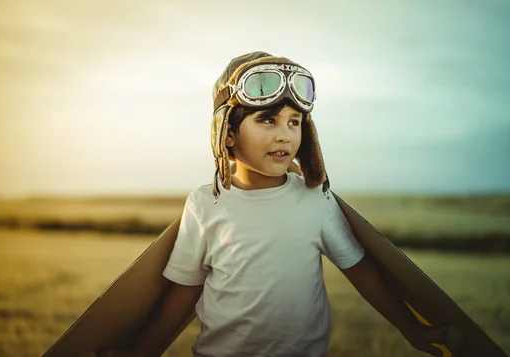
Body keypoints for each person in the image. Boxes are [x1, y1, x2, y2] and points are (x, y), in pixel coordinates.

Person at [100, 51, 447, 357]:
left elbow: (360, 270)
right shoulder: (205, 203)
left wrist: (411, 328)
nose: (284, 135)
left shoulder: (315, 199)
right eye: (267, 120)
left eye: (294, 122)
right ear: (228, 133)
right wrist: (143, 352)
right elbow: (184, 292)